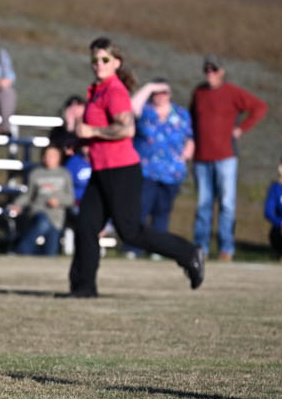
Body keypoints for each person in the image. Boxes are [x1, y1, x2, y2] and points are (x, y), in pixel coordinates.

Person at [68, 37, 203, 298]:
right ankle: (83, 289)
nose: (99, 64)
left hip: (121, 171)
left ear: (116, 63)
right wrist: (79, 141)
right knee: (86, 226)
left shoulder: (114, 91)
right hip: (101, 170)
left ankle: (188, 253)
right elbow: (100, 131)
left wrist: (92, 130)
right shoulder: (96, 90)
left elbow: (127, 128)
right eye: (95, 59)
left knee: (130, 233)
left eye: (105, 59)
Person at [190, 55, 268, 261]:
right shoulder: (199, 93)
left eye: (214, 69)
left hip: (226, 157)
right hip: (201, 158)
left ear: (221, 71)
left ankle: (226, 248)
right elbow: (191, 120)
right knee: (203, 204)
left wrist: (241, 128)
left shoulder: (232, 92)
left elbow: (260, 107)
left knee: (226, 204)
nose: (210, 73)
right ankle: (201, 248)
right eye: (207, 69)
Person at [127, 79, 194, 258]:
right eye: (157, 92)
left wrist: (187, 153)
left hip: (172, 172)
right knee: (141, 209)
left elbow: (190, 136)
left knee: (162, 213)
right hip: (146, 171)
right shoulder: (146, 112)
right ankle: (134, 248)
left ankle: (157, 249)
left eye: (164, 92)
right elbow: (131, 107)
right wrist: (149, 87)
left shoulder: (180, 113)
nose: (161, 96)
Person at [10, 144, 73, 256]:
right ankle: (21, 249)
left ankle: (22, 249)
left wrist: (58, 201)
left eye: (53, 155)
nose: (50, 158)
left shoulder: (65, 174)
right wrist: (17, 204)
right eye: (47, 155)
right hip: (38, 212)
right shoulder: (36, 173)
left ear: (59, 157)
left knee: (50, 255)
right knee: (43, 222)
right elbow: (28, 195)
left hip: (56, 217)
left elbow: (70, 199)